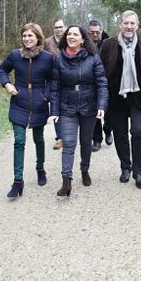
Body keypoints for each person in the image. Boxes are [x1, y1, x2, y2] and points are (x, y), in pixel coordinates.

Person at [48, 25, 108, 197]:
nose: (71, 36)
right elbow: (55, 87)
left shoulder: (93, 58)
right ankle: (66, 181)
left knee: (85, 142)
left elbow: (102, 83)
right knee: (68, 143)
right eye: (69, 34)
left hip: (89, 107)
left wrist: (101, 106)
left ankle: (84, 170)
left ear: (83, 39)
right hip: (67, 107)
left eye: (75, 34)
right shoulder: (59, 59)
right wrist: (54, 110)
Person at [99, 10, 141, 189]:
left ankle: (139, 171)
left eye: (132, 23)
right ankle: (125, 167)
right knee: (120, 133)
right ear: (120, 25)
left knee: (138, 131)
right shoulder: (108, 44)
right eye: (126, 23)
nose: (129, 26)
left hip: (139, 96)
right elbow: (101, 71)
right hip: (116, 97)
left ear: (137, 25)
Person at [0, 23, 53, 198]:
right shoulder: (15, 55)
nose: (27, 39)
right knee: (19, 141)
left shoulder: (47, 58)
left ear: (38, 38)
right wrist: (7, 84)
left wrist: (45, 95)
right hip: (19, 102)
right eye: (24, 36)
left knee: (38, 138)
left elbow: (53, 80)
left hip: (39, 103)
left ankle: (40, 168)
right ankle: (17, 182)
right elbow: (2, 69)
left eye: (30, 36)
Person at [88, 19, 113, 152]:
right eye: (92, 32)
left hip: (107, 81)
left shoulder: (110, 42)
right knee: (94, 112)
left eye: (97, 32)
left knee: (108, 110)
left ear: (102, 31)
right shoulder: (85, 44)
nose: (94, 35)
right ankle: (96, 139)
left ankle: (108, 130)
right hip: (91, 82)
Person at [44, 19, 66, 150]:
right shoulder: (47, 42)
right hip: (53, 80)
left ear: (65, 27)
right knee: (55, 108)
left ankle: (70, 134)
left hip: (68, 79)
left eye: (61, 27)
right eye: (56, 27)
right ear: (53, 29)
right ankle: (60, 138)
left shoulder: (70, 39)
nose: (59, 29)